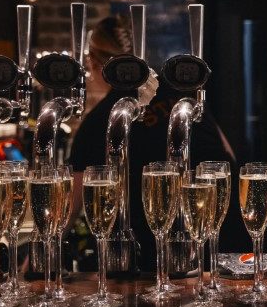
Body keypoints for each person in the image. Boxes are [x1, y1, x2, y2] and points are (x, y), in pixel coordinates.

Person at [68, 15, 245, 274]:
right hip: (226, 239)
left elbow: (69, 209)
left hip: (150, 259)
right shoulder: (180, 92)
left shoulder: (99, 121)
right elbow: (227, 154)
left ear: (92, 63)